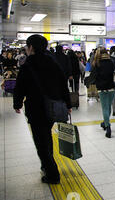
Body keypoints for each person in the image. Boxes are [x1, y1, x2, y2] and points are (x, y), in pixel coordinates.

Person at [13, 35, 71, 184]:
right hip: (52, 108)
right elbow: (63, 84)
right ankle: (47, 165)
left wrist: (17, 104)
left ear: (31, 47)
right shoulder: (53, 63)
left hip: (36, 109)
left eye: (27, 46)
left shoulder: (28, 65)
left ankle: (52, 174)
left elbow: (20, 87)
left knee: (41, 143)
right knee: (46, 137)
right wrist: (68, 104)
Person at [91, 47, 115, 138]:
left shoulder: (96, 63)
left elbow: (93, 76)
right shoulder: (111, 61)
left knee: (105, 107)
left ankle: (108, 127)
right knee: (108, 107)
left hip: (102, 88)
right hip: (111, 87)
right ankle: (105, 122)